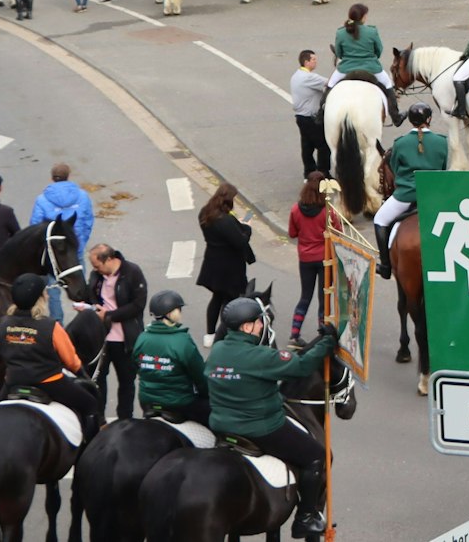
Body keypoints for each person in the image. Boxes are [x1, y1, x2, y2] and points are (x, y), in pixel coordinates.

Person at [206, 297, 340, 536]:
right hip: (260, 428)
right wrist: (326, 341)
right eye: (258, 322)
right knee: (317, 456)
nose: (260, 327)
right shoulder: (260, 356)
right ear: (246, 327)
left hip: (222, 426)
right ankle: (305, 517)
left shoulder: (217, 350)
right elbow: (301, 366)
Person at [0, 273, 100, 440]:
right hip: (49, 382)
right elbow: (70, 360)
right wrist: (82, 374)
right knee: (90, 404)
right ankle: (91, 449)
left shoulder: (3, 323)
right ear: (40, 298)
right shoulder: (50, 326)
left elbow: (1, 350)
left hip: (13, 381)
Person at [374, 105, 446, 279]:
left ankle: (385, 266)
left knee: (380, 220)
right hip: (433, 196)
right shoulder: (443, 142)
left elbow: (396, 170)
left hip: (405, 196)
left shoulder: (400, 143)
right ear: (428, 119)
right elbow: (444, 169)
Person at [76, 243, 147, 421]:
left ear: (109, 259)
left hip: (125, 339)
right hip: (101, 339)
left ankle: (125, 419)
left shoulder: (132, 272)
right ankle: (99, 419)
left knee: (126, 382)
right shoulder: (96, 276)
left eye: (98, 266)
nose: (95, 270)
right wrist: (86, 307)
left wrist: (109, 316)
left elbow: (138, 305)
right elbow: (89, 295)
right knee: (98, 381)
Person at [136, 290, 212, 423]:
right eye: (179, 309)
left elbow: (136, 365)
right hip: (179, 403)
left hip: (147, 401)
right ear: (172, 313)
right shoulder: (182, 341)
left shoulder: (142, 338)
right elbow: (199, 377)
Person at [31, 163, 95, 318]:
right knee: (80, 286)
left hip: (54, 254)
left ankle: (57, 321)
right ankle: (83, 318)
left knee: (53, 290)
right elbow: (88, 222)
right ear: (69, 176)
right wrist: (80, 242)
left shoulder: (42, 200)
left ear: (52, 178)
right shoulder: (82, 196)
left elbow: (35, 226)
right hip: (75, 250)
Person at [195, 183, 255, 334]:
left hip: (212, 262)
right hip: (229, 267)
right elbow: (240, 241)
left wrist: (236, 225)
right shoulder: (225, 220)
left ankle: (210, 333)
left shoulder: (205, 212)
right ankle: (225, 333)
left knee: (217, 298)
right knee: (229, 301)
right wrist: (246, 227)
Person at [287, 173, 336, 342]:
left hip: (305, 259)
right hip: (324, 259)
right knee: (324, 299)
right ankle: (323, 334)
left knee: (305, 297)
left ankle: (294, 334)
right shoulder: (328, 211)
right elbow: (338, 234)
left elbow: (292, 233)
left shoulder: (295, 209)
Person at [290, 50, 330, 178]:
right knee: (323, 146)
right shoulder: (309, 77)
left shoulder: (296, 75)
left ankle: (309, 172)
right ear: (306, 62)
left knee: (307, 146)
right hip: (311, 117)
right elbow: (330, 83)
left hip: (301, 117)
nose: (316, 61)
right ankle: (323, 173)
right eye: (313, 59)